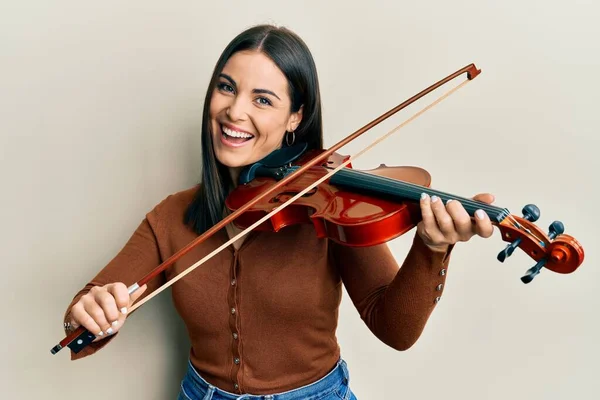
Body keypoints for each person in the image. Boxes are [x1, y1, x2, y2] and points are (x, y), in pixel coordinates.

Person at [61, 24, 495, 400]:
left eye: (263, 100)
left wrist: (431, 249)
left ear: (295, 118)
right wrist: (89, 312)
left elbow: (395, 330)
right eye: (227, 87)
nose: (235, 111)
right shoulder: (172, 216)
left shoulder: (329, 207)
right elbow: (86, 316)